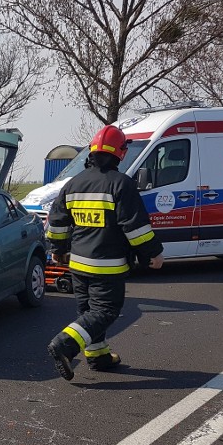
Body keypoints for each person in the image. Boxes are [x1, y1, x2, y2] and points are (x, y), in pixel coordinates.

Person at [46, 125, 164, 381]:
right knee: (105, 312)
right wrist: (152, 254)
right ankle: (64, 344)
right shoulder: (121, 184)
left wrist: (58, 250)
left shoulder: (73, 184)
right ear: (120, 153)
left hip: (77, 264)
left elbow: (57, 223)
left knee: (88, 312)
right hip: (107, 265)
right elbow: (136, 228)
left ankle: (98, 356)